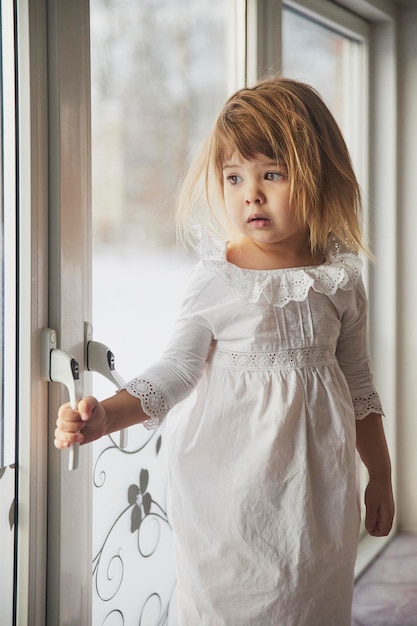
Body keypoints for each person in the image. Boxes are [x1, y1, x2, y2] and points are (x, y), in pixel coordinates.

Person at [55, 76, 395, 625]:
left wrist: (379, 474)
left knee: (312, 603)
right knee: (232, 605)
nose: (250, 194)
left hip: (317, 496)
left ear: (318, 175)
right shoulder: (219, 279)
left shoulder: (339, 280)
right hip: (230, 495)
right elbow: (177, 370)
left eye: (272, 174)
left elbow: (359, 385)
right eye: (234, 176)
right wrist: (107, 418)